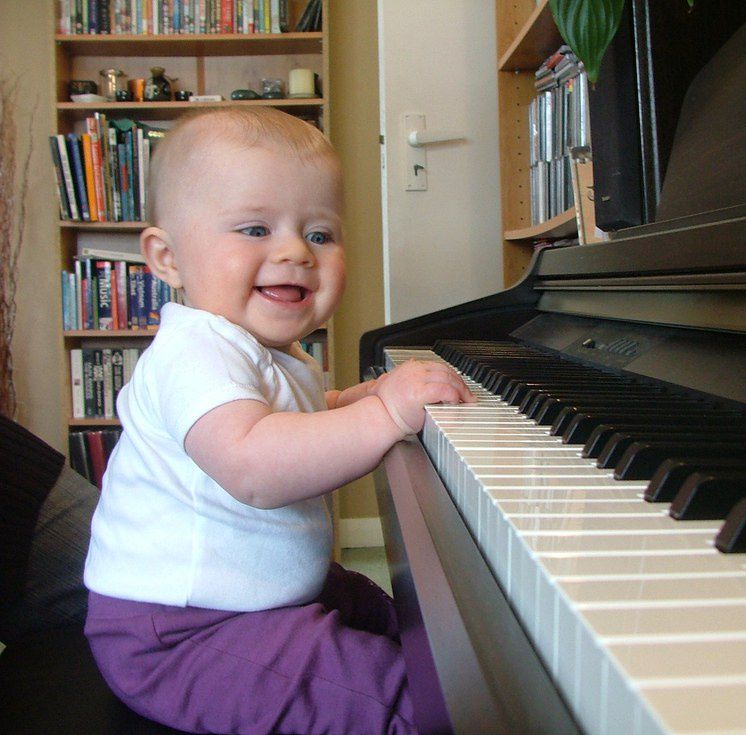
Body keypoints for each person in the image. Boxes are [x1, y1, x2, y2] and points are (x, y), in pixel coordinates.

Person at [82, 107, 473, 734]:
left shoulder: (268, 351)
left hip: (257, 600)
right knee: (413, 704)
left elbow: (301, 418)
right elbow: (254, 464)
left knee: (396, 618)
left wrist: (361, 398)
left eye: (319, 234)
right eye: (255, 229)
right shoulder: (194, 351)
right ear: (167, 257)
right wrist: (385, 412)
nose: (294, 252)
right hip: (183, 635)